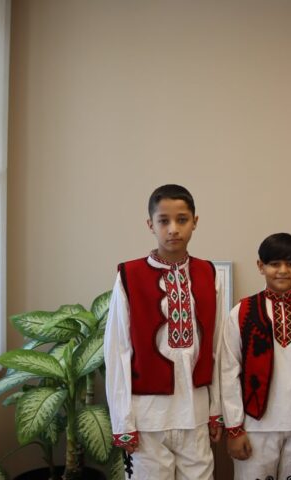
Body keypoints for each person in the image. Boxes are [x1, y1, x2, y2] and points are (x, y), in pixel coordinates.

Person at [105, 184, 224, 479]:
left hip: (195, 413)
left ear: (195, 222)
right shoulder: (129, 276)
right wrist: (122, 422)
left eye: (182, 220)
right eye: (163, 221)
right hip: (147, 418)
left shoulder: (209, 274)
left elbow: (216, 348)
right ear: (151, 224)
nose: (173, 229)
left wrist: (216, 409)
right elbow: (118, 350)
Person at [219, 233, 291, 480]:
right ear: (261, 266)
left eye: (290, 264)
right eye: (274, 264)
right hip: (256, 426)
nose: (283, 271)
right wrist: (234, 429)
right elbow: (228, 371)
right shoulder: (242, 312)